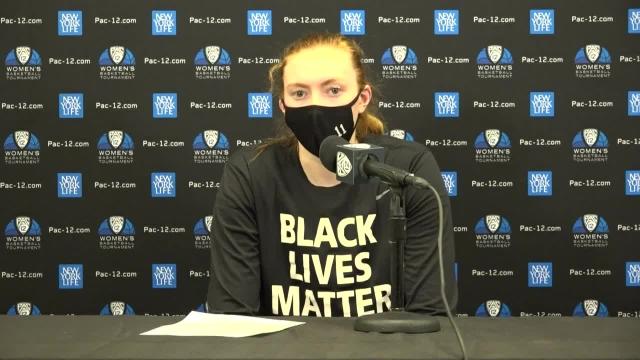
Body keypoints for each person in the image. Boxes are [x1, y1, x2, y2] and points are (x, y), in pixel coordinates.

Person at [206, 32, 457, 317]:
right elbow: (231, 316)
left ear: (362, 98)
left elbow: (429, 312)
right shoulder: (250, 173)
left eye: (333, 90)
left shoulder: (408, 170)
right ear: (283, 106)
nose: (316, 107)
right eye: (299, 93)